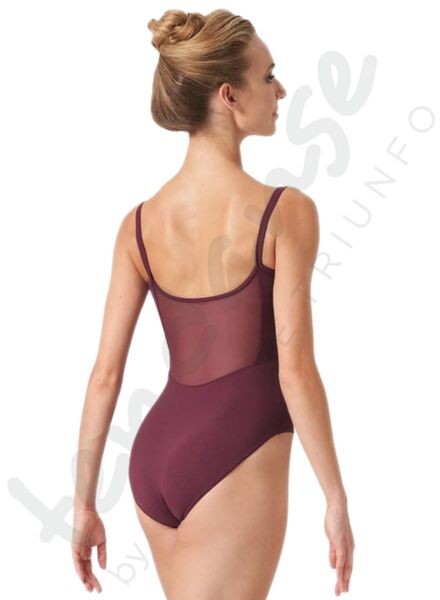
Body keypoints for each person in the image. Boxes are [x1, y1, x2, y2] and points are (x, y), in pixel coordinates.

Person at [71, 8, 355, 598]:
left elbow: (104, 376)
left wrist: (84, 503)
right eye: (268, 76)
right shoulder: (286, 213)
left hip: (155, 456)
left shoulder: (138, 225)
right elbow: (295, 371)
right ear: (229, 95)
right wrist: (334, 498)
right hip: (234, 449)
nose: (281, 90)